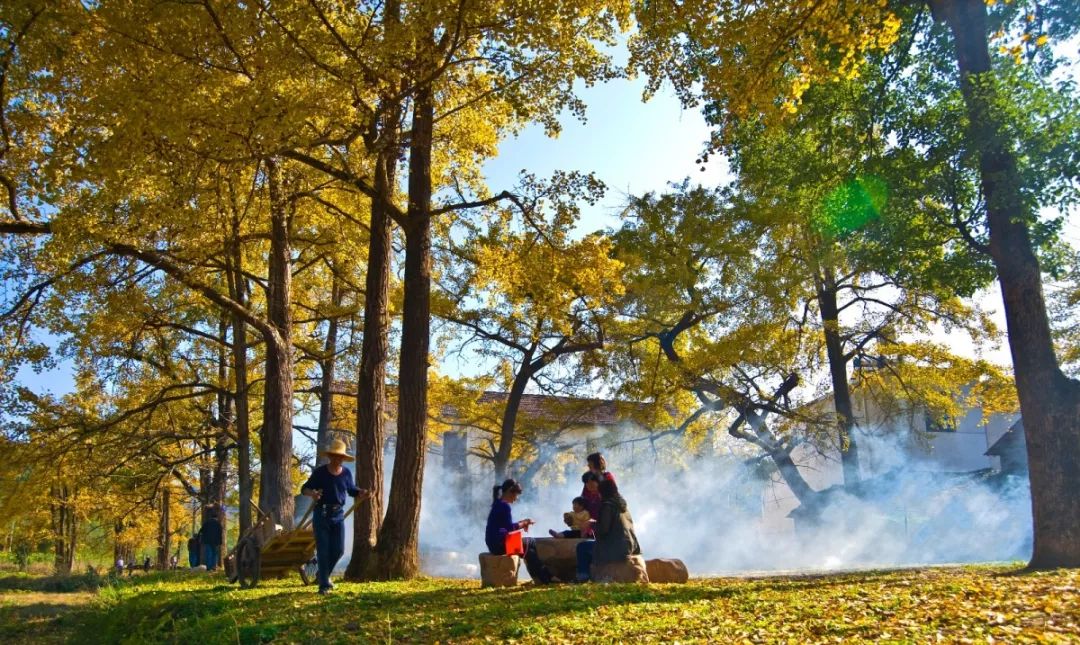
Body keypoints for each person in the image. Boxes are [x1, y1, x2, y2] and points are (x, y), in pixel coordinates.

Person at [301, 438, 370, 595]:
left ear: (343, 458)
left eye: (340, 457)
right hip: (322, 514)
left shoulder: (346, 473)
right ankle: (324, 585)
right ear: (330, 456)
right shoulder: (320, 473)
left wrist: (361, 492)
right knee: (323, 550)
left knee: (338, 550)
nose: (337, 459)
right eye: (334, 456)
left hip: (338, 515)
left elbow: (351, 490)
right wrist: (313, 494)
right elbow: (304, 488)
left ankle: (322, 575)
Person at [484, 478, 557, 584]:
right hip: (499, 545)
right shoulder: (504, 506)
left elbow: (505, 526)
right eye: (516, 495)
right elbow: (509, 528)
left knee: (529, 549)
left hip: (494, 543)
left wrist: (523, 522)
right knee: (529, 544)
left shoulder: (498, 503)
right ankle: (546, 578)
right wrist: (524, 524)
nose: (516, 498)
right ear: (509, 491)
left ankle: (543, 577)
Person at [575, 479, 641, 582]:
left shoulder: (607, 506)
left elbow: (603, 530)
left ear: (602, 492)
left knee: (582, 547)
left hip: (616, 548)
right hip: (630, 546)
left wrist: (591, 524)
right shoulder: (622, 506)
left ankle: (583, 577)